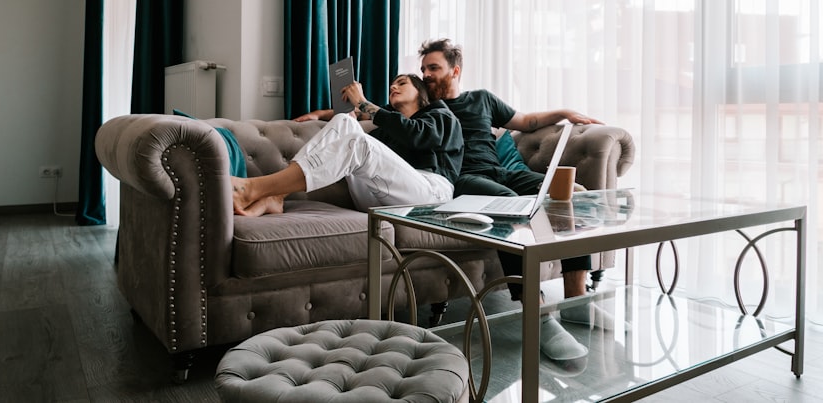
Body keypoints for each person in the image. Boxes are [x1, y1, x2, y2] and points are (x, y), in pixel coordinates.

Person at [417, 38, 612, 361]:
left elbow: (528, 122)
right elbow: (374, 113)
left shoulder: (481, 100)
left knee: (572, 195)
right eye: (423, 69)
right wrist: (324, 114)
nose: (426, 75)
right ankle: (539, 316)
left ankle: (576, 302)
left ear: (455, 70)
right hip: (464, 180)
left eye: (433, 68)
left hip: (501, 172)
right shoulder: (425, 108)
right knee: (510, 205)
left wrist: (566, 112)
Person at [231, 74, 463, 216]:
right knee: (344, 121)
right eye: (392, 84)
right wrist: (324, 115)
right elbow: (374, 152)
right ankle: (277, 195)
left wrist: (362, 103)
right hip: (378, 198)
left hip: (431, 195)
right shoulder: (386, 131)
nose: (394, 87)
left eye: (402, 83)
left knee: (356, 140)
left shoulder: (440, 115)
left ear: (420, 93)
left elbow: (418, 135)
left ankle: (255, 188)